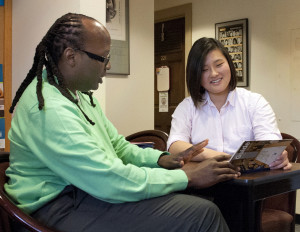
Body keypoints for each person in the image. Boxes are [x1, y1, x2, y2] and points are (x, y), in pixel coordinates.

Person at [5, 14, 240, 232]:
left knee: (196, 204)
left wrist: (161, 159)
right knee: (203, 214)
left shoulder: (77, 95)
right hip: (57, 209)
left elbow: (118, 146)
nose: (107, 66)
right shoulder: (49, 108)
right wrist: (188, 176)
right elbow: (108, 179)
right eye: (103, 58)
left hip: (86, 193)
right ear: (71, 56)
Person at [167, 37, 291, 171]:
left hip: (246, 182)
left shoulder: (255, 102)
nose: (214, 73)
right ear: (195, 74)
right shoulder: (187, 107)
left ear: (229, 64)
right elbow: (175, 146)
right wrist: (226, 158)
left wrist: (277, 156)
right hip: (201, 185)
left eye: (219, 64)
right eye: (204, 69)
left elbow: (270, 145)